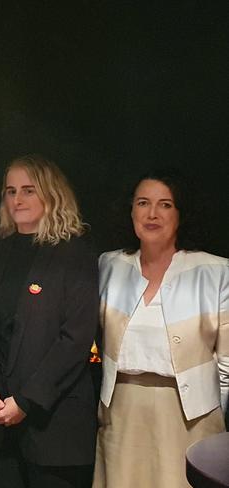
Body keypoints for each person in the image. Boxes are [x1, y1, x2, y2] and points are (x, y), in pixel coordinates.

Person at [94, 169, 228, 488]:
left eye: (165, 205)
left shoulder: (216, 271)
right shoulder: (108, 265)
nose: (152, 214)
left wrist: (214, 413)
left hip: (191, 416)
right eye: (143, 203)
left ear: (181, 214)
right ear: (131, 211)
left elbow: (228, 362)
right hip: (122, 412)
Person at [0, 155, 98, 488]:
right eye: (10, 191)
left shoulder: (75, 255)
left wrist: (27, 401)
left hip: (55, 426)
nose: (17, 199)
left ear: (51, 195)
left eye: (28, 190)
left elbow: (75, 340)